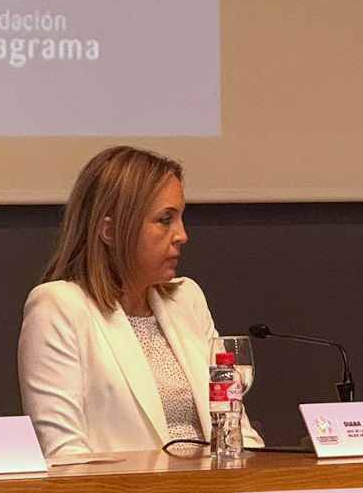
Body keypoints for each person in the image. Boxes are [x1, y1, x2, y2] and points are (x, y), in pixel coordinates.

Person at [20, 145, 262, 456]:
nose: (182, 235)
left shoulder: (187, 299)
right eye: (165, 220)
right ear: (110, 231)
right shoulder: (58, 307)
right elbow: (63, 453)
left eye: (180, 218)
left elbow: (236, 430)